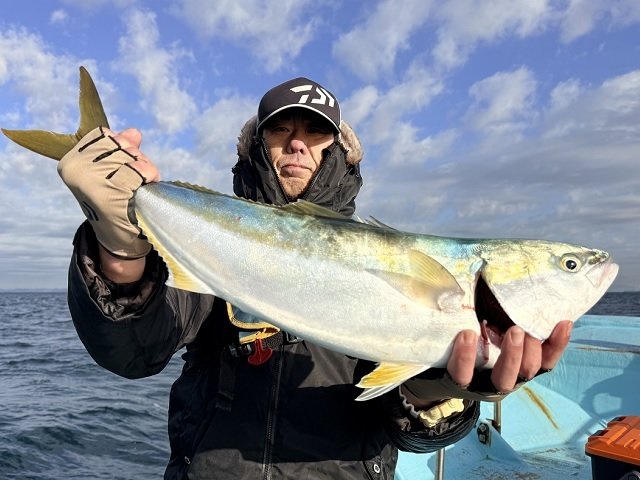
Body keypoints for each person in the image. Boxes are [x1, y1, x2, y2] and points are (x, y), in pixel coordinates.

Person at [57, 77, 572, 479]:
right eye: (281, 130)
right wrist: (120, 251)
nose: (298, 144)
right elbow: (133, 353)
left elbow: (414, 437)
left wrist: (435, 388)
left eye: (316, 132)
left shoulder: (378, 248)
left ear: (339, 151)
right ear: (258, 146)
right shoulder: (214, 244)